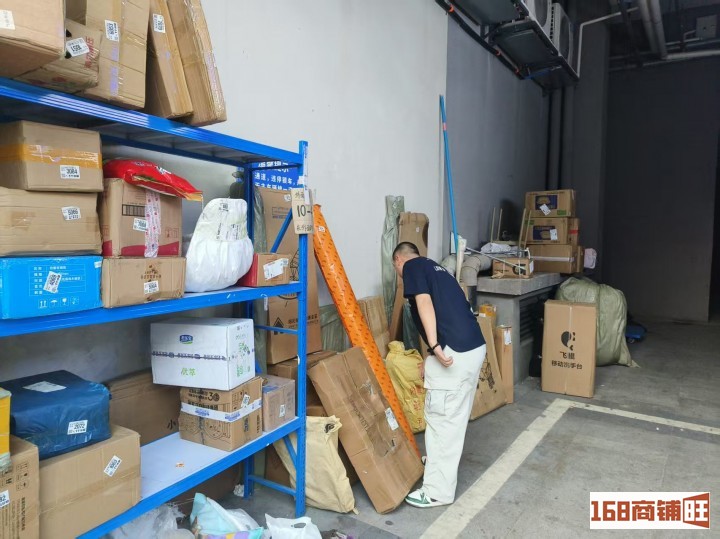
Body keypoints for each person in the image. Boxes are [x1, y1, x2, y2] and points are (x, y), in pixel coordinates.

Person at [392, 241, 486, 508]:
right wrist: (431, 355)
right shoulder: (438, 270)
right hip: (473, 348)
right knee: (454, 417)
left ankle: (437, 491)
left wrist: (434, 346)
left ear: (398, 260)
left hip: (454, 354)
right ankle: (437, 464)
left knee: (442, 421)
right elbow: (453, 311)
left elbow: (424, 303)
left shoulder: (411, 267)